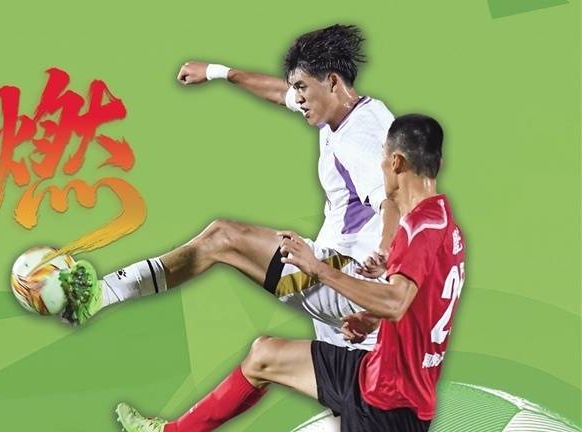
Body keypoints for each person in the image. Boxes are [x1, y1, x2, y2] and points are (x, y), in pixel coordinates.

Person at [115, 113, 465, 432]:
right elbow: (420, 302)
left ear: (396, 162)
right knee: (265, 356)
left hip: (387, 409)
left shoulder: (418, 230)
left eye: (382, 158)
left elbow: (397, 302)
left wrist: (317, 269)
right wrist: (371, 319)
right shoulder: (445, 225)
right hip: (376, 375)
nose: (381, 167)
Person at [61, 25, 397, 356]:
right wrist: (217, 72)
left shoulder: (358, 137)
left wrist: (382, 269)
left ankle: (105, 292)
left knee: (223, 238)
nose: (296, 97)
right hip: (354, 294)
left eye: (301, 87)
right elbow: (278, 94)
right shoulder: (351, 109)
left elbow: (394, 204)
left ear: (332, 82)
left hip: (348, 282)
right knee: (344, 389)